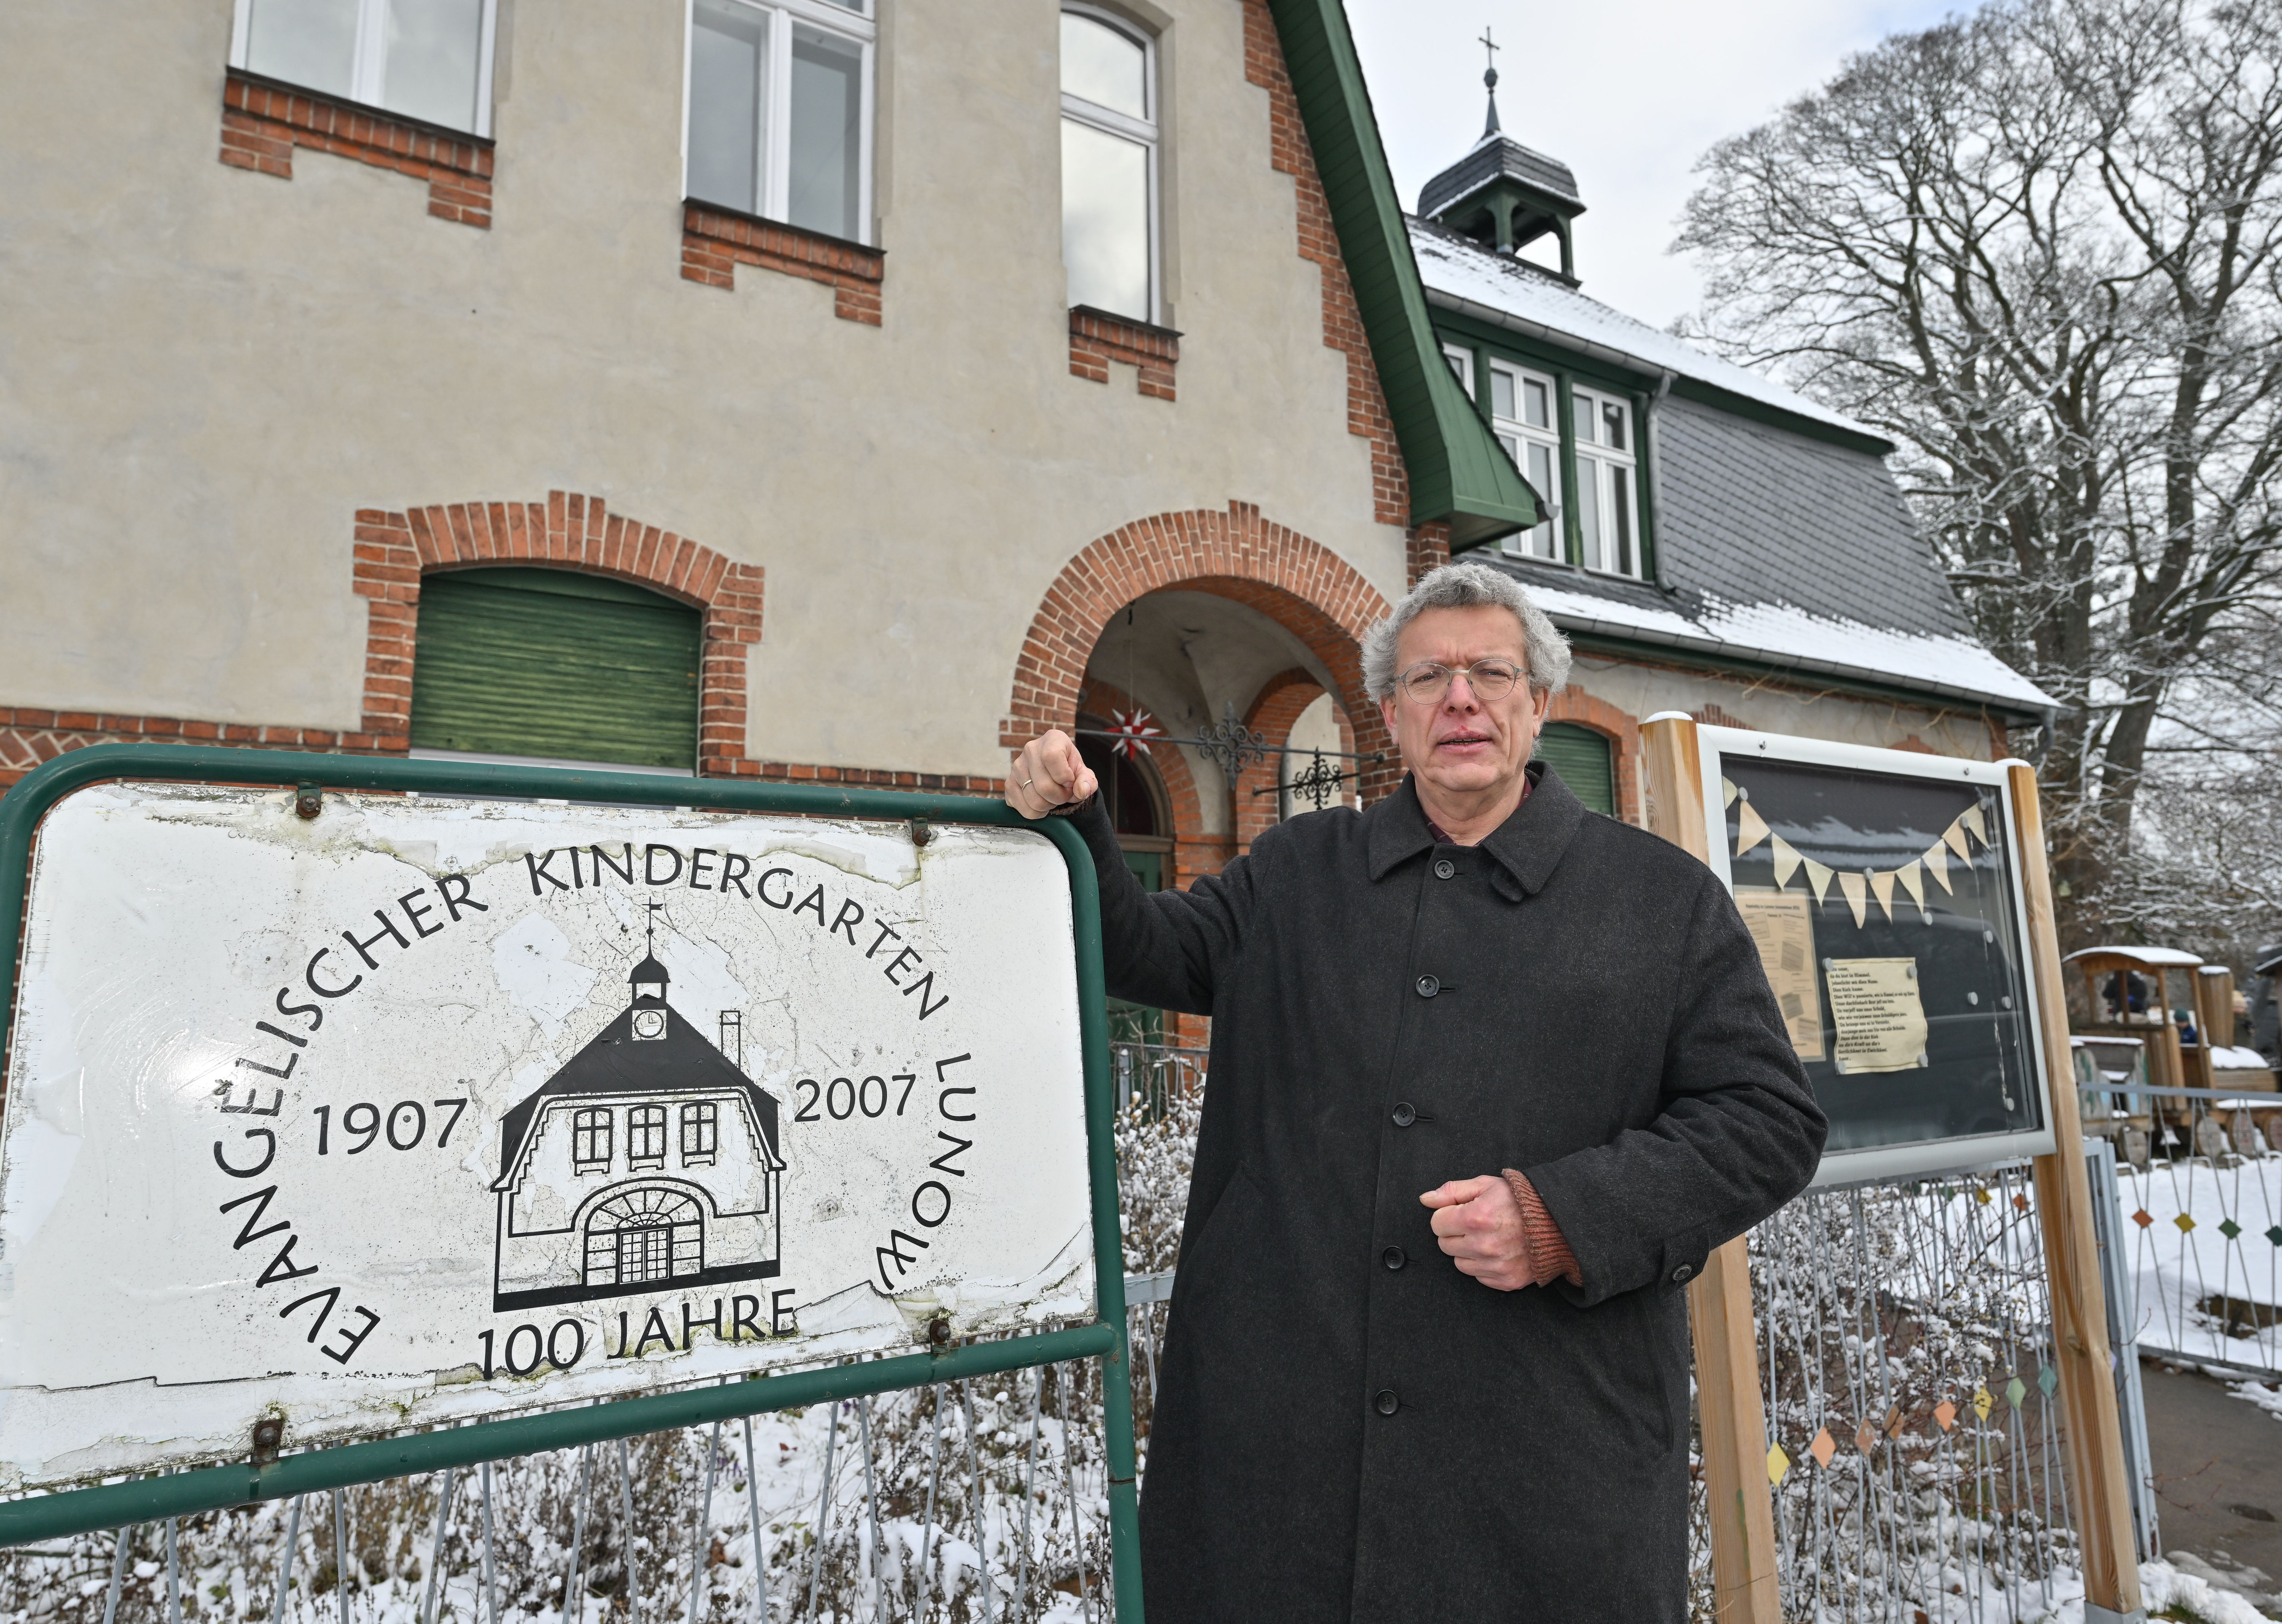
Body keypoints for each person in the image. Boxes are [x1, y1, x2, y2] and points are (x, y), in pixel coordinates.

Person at [1006, 561, 1826, 1622]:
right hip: (1284, 1463)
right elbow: (1149, 951)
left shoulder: (1661, 901)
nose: (1462, 699)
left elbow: (1767, 1123)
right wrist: (1075, 822)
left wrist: (1559, 1219)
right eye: (1429, 678)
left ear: (1539, 703)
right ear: (1390, 716)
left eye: (1492, 672)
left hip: (1542, 1469)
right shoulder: (1300, 869)